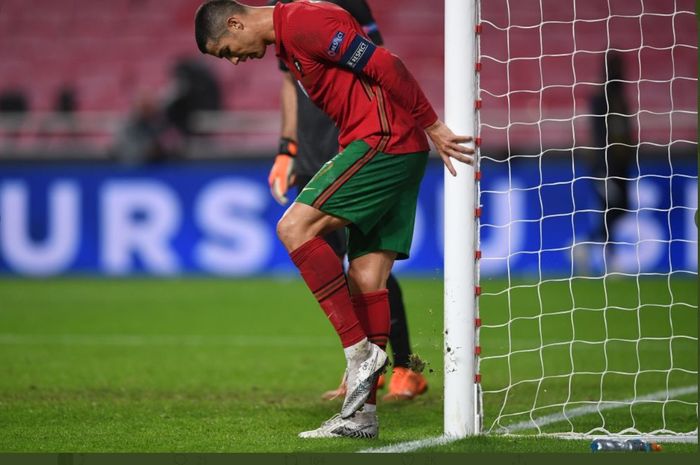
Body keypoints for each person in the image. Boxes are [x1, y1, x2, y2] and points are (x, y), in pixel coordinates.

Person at [194, 0, 473, 438]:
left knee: (293, 227)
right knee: (366, 278)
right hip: (396, 146)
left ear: (235, 22)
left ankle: (358, 351)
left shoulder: (304, 21)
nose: (233, 60)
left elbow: (387, 63)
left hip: (383, 140)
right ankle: (361, 415)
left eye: (226, 49)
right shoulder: (288, 43)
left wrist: (432, 125)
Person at [267, 0, 427, 403]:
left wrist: (400, 130)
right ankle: (363, 373)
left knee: (370, 264)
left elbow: (375, 63)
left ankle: (404, 365)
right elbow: (289, 81)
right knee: (349, 264)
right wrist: (288, 147)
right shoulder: (278, 16)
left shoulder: (338, 7)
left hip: (361, 141)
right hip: (314, 151)